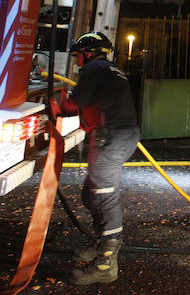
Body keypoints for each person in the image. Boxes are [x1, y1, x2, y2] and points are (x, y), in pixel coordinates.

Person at [53, 32, 140, 285]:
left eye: (78, 55)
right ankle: (103, 242)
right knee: (91, 194)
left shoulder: (95, 69)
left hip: (110, 138)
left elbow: (74, 104)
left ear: (88, 52)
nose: (77, 61)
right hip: (116, 136)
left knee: (104, 197)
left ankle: (106, 264)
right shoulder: (109, 69)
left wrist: (56, 103)